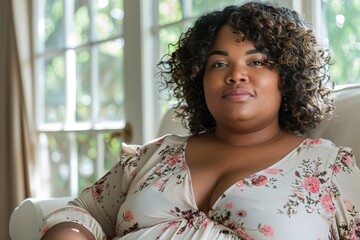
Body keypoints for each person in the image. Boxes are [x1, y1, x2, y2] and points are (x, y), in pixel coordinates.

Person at [40, 1, 360, 240]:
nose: (236, 75)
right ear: (200, 80)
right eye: (219, 64)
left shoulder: (328, 168)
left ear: (288, 75)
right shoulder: (155, 156)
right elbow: (81, 211)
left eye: (257, 61)